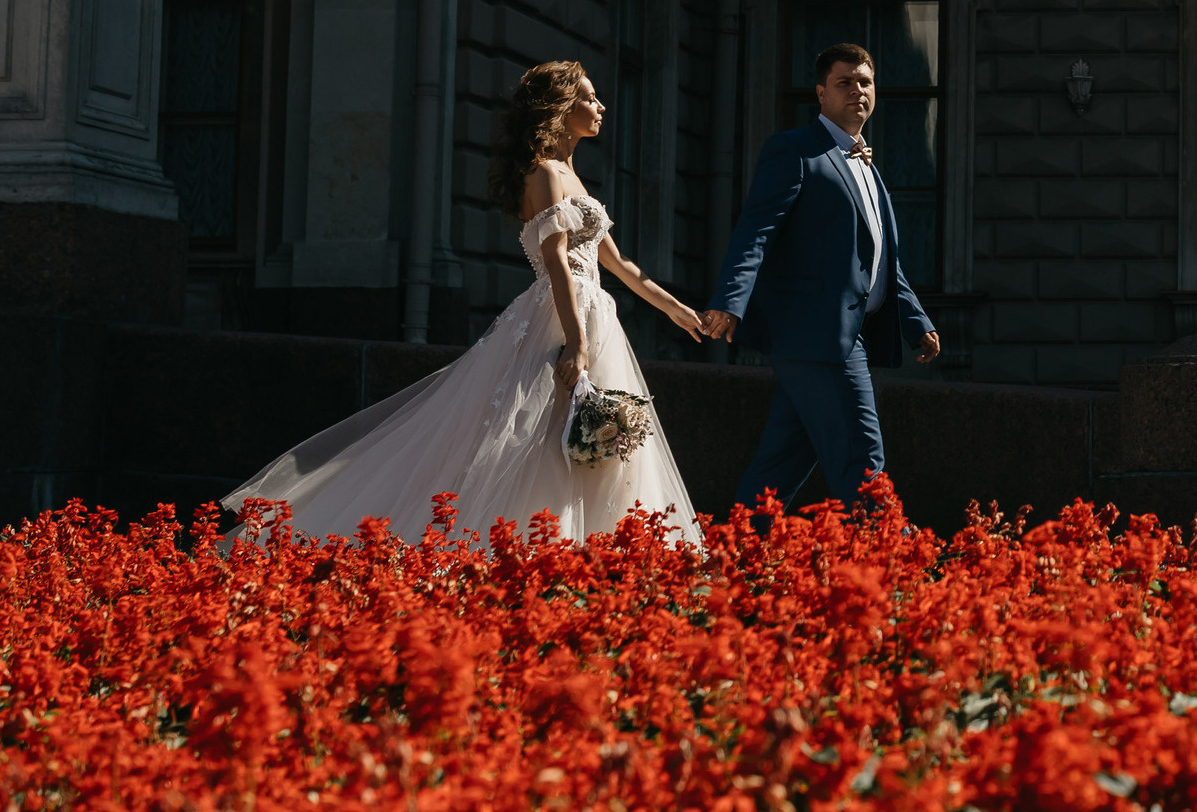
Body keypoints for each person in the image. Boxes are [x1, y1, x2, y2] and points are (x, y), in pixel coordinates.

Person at [223, 61, 706, 543]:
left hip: (596, 316)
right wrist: (576, 342)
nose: (600, 107)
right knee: (534, 441)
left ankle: (587, 556)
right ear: (560, 108)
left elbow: (620, 265)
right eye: (589, 98)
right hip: (560, 319)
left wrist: (675, 310)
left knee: (588, 444)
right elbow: (556, 261)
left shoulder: (573, 176)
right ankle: (522, 549)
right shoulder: (542, 173)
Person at [702, 41, 942, 506]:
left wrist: (916, 320)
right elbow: (756, 231)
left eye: (865, 82)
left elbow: (881, 261)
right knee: (863, 456)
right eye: (844, 82)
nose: (857, 90)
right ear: (821, 93)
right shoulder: (794, 150)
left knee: (780, 463)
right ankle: (892, 564)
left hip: (835, 337)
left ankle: (734, 557)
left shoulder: (867, 165)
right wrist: (730, 302)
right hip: (820, 335)